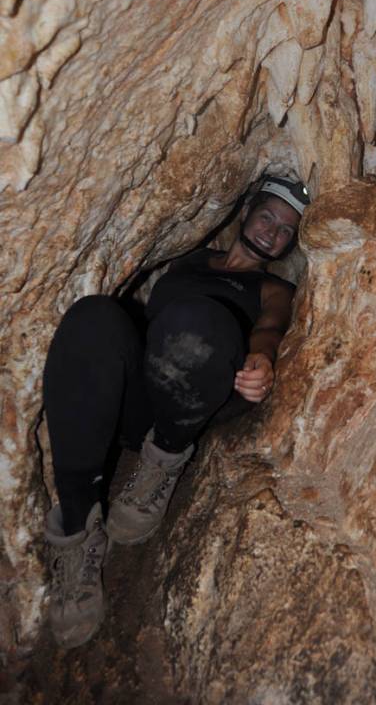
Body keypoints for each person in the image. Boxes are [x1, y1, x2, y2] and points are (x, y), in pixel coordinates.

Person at [42, 175, 310, 649]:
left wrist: (263, 358)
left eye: (287, 229)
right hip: (145, 386)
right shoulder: (189, 259)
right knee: (92, 317)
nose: (273, 232)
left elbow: (270, 328)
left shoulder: (274, 288)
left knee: (198, 320)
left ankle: (160, 465)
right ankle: (78, 530)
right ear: (246, 210)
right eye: (268, 215)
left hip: (197, 397)